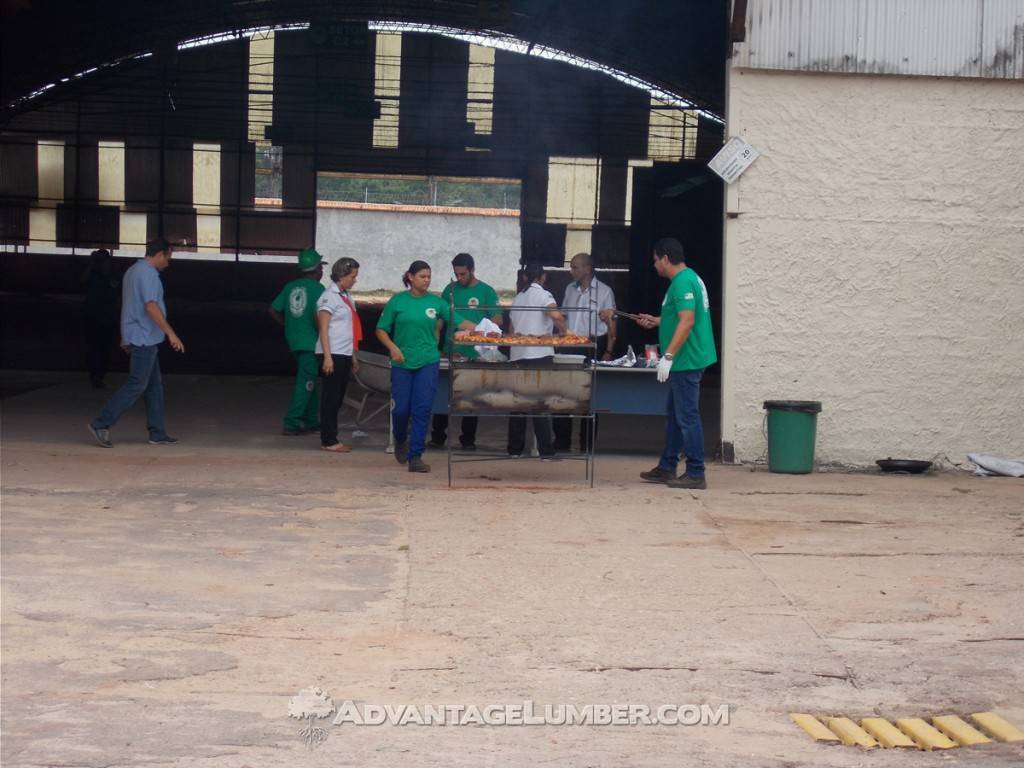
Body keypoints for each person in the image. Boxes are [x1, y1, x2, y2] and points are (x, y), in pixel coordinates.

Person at [376, 261, 474, 473]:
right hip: (402, 362)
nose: (427, 280)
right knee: (401, 410)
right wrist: (392, 348)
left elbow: (459, 321)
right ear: (410, 277)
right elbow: (381, 330)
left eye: (429, 276)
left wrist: (487, 331)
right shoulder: (398, 301)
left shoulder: (436, 303)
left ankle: (416, 456)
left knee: (421, 410)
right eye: (422, 276)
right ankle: (401, 439)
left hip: (428, 361)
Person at [636, 237, 717, 490]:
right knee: (675, 415)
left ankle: (696, 472)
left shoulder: (682, 283)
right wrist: (658, 321)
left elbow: (688, 320)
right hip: (688, 358)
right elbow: (679, 316)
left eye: (655, 260)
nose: (654, 265)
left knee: (687, 416)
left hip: (686, 360)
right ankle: (667, 466)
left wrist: (668, 357)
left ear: (665, 259)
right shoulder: (688, 278)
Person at [87, 238, 184, 448]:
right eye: (168, 257)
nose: (169, 262)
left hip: (141, 335)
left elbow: (129, 305)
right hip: (144, 337)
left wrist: (125, 335)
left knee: (154, 387)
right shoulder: (148, 275)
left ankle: (157, 432)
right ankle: (101, 423)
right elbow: (150, 307)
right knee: (136, 384)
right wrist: (171, 333)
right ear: (160, 255)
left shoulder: (133, 271)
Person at [430, 252, 503, 451]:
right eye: (456, 274)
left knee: (471, 397)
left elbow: (497, 319)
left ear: (471, 270)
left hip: (475, 354)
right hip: (450, 351)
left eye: (463, 274)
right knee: (444, 394)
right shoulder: (450, 290)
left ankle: (468, 439)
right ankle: (438, 437)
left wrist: (486, 327)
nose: (459, 278)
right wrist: (437, 346)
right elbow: (440, 319)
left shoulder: (486, 291)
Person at [553, 251, 617, 452]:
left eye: (575, 267)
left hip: (592, 346)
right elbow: (562, 318)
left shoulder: (605, 292)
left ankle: (586, 444)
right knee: (562, 395)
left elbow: (612, 324)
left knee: (588, 397)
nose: (571, 271)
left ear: (587, 269)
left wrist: (609, 351)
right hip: (569, 345)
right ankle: (562, 442)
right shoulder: (569, 290)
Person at [506, 263, 566, 460]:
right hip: (539, 355)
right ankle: (546, 451)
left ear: (524, 278)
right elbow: (555, 314)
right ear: (543, 277)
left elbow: (512, 329)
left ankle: (515, 450)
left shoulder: (518, 297)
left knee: (518, 404)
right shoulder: (543, 295)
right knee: (540, 404)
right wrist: (565, 331)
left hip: (518, 355)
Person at [270, 248, 326, 436]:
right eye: (321, 268)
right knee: (306, 383)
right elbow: (321, 317)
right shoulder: (319, 289)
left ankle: (311, 420)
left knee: (310, 379)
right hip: (311, 342)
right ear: (317, 270)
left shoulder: (290, 286)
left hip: (294, 341)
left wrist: (288, 324)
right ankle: (292, 422)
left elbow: (273, 310)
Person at [315, 257, 362, 453]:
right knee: (330, 397)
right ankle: (328, 439)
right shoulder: (328, 297)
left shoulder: (345, 296)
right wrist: (327, 357)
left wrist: (353, 355)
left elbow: (348, 329)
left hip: (342, 351)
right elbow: (323, 329)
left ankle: (331, 436)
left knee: (338, 397)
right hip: (331, 351)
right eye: (352, 276)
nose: (355, 280)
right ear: (341, 276)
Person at [82, 248, 120, 389]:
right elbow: (83, 281)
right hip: (93, 316)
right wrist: (92, 264)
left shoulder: (113, 276)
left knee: (105, 348)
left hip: (108, 317)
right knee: (93, 347)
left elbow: (117, 297)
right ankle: (94, 375)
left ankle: (100, 375)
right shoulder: (93, 274)